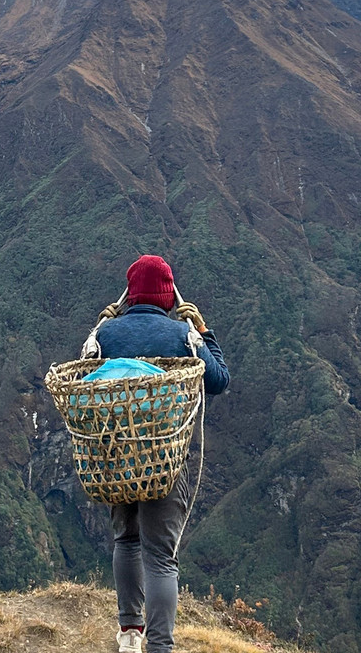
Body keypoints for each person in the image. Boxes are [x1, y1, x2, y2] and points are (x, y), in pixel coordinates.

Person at [94, 254, 230, 653]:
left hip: (117, 454)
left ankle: (129, 633)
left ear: (130, 295)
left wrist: (106, 321)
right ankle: (160, 647)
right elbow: (219, 381)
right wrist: (203, 330)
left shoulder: (106, 335)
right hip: (165, 459)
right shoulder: (181, 336)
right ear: (169, 296)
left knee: (126, 539)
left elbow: (86, 377)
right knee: (160, 557)